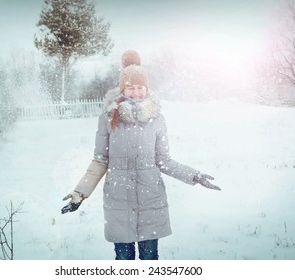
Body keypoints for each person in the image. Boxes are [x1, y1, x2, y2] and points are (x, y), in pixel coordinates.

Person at [61, 50, 221, 260]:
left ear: (146, 89)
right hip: (118, 200)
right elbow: (100, 160)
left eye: (140, 87)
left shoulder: (157, 120)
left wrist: (195, 176)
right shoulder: (108, 118)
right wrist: (80, 193)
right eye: (130, 87)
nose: (136, 92)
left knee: (149, 259)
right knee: (124, 259)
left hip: (150, 199)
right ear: (122, 89)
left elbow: (164, 161)